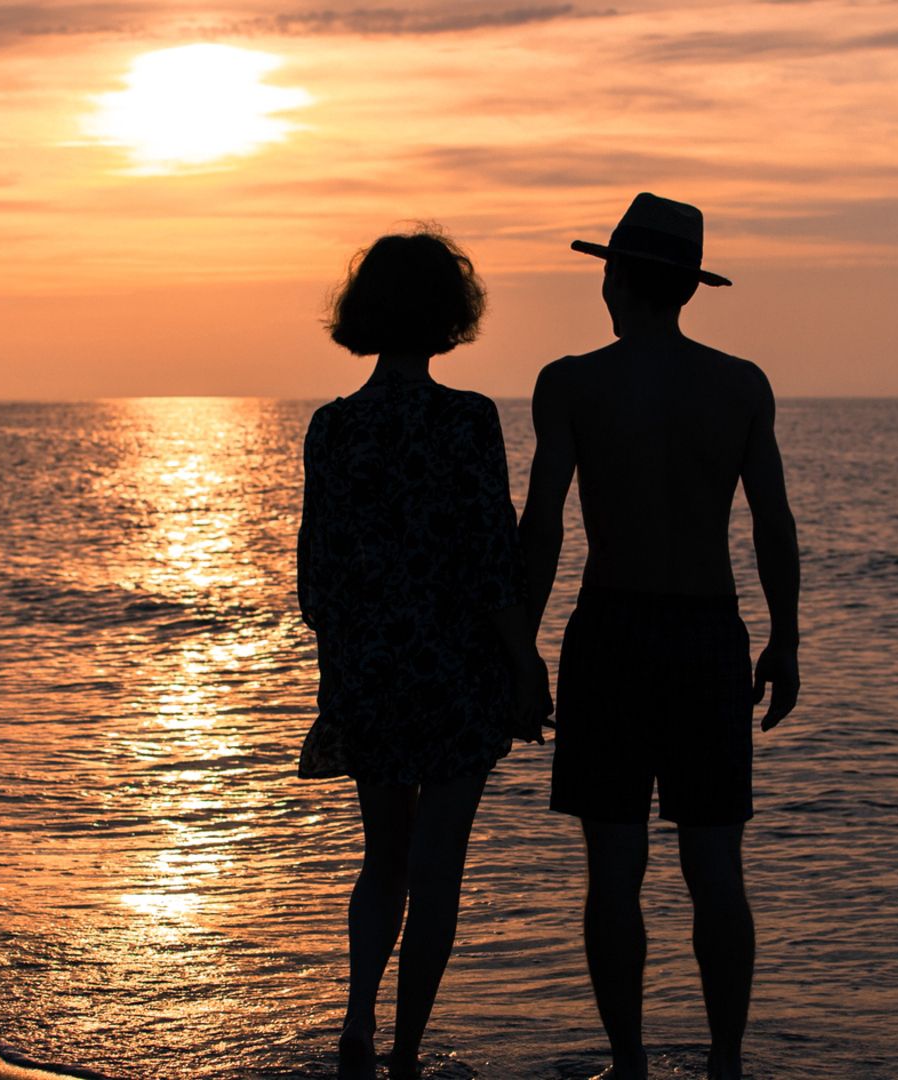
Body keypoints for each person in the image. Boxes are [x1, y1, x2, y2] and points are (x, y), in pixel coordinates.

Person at [518, 193, 802, 1080]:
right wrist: (786, 637)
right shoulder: (740, 384)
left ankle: (631, 1064)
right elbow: (773, 525)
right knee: (715, 860)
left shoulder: (572, 382)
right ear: (685, 287)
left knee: (615, 866)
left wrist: (518, 643)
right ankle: (723, 1063)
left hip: (612, 627)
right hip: (710, 629)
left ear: (617, 279)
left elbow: (543, 527)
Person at [296, 226, 552, 1079]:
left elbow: (316, 577)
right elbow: (490, 559)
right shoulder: (467, 422)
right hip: (456, 672)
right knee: (437, 869)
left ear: (366, 311)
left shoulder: (333, 430)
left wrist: (343, 670)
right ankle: (406, 1054)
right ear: (450, 315)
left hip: (371, 670)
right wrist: (525, 661)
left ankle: (358, 1022)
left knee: (384, 861)